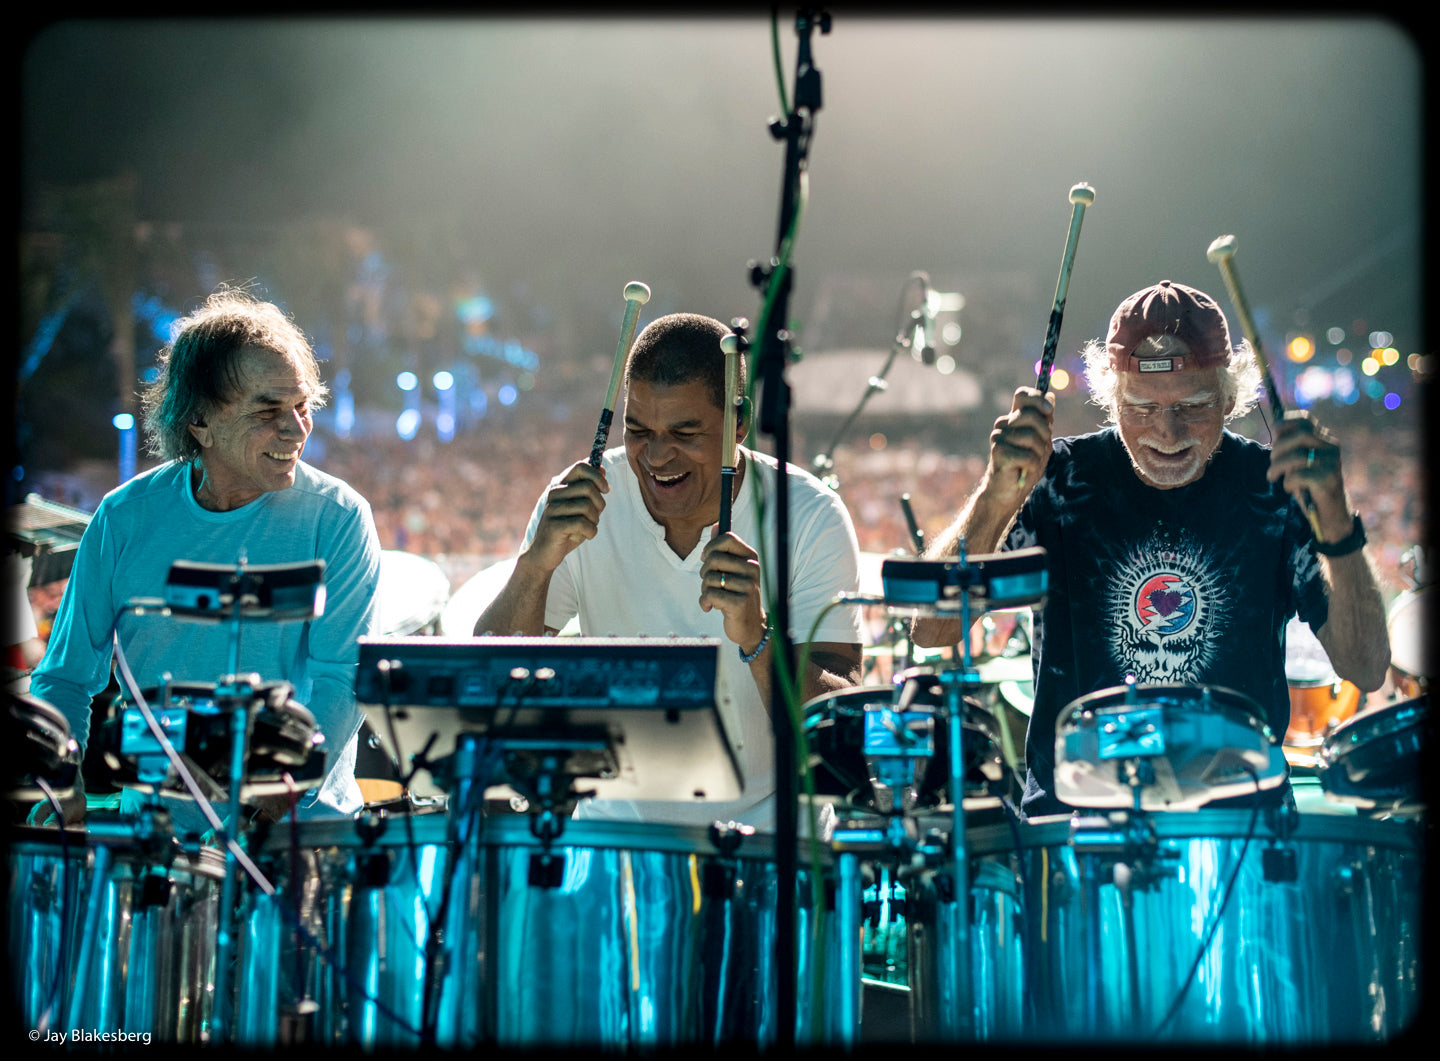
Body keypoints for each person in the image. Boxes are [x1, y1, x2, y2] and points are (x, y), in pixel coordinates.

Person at [913, 280, 1390, 818]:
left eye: (1193, 405)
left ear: (1230, 398)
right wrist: (995, 499)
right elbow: (932, 630)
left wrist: (1334, 517)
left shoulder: (1273, 489)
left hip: (1240, 830)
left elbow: (1367, 668)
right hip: (1077, 825)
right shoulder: (1058, 483)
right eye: (1141, 406)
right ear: (1111, 400)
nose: (1167, 429)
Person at [475, 312, 864, 831]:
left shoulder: (810, 515)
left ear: (739, 423)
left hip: (768, 841)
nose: (657, 455)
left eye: (685, 432)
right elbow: (488, 682)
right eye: (638, 430)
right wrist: (535, 566)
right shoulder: (581, 496)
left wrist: (757, 636)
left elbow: (841, 729)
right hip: (615, 842)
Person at [29, 289, 381, 825]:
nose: (297, 428)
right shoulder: (123, 518)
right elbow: (66, 677)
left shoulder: (337, 517)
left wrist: (273, 799)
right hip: (157, 840)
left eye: (302, 406)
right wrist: (60, 784)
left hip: (296, 840)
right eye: (268, 410)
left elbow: (346, 677)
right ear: (199, 422)